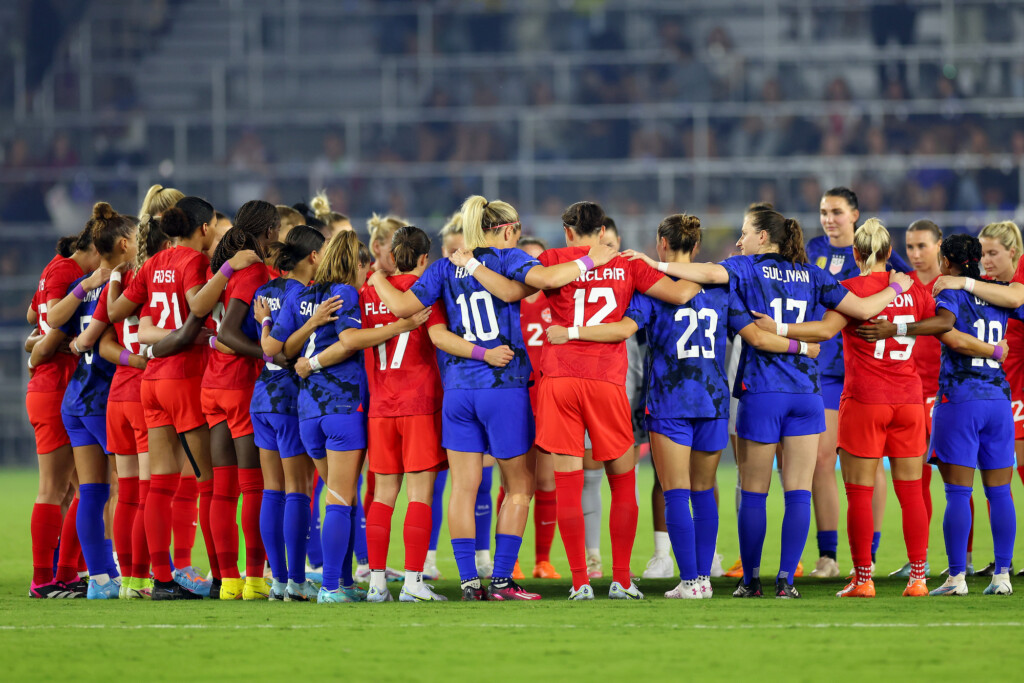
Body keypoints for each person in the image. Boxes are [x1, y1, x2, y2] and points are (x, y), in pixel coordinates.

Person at [635, 208, 912, 598]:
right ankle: (786, 581)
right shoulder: (816, 275)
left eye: (745, 233)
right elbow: (864, 310)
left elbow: (709, 275)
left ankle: (750, 581)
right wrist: (897, 289)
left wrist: (652, 263)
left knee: (754, 491)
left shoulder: (746, 270)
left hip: (762, 391)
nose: (739, 241)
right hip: (806, 394)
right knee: (799, 490)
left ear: (764, 238)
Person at [553, 214, 817, 599]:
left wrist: (572, 333)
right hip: (712, 400)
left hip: (669, 401)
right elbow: (755, 336)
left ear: (662, 244)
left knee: (675, 492)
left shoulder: (652, 291)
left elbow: (626, 330)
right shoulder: (722, 289)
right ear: (695, 247)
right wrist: (803, 345)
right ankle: (705, 582)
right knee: (703, 489)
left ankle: (690, 581)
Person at [372, 195, 618, 600]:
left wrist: (377, 277)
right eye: (516, 232)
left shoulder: (442, 266)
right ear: (508, 229)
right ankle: (502, 580)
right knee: (519, 487)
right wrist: (593, 259)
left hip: (457, 391)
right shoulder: (508, 258)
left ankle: (469, 581)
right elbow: (547, 281)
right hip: (502, 387)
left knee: (463, 489)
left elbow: (401, 308)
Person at [452, 199, 698, 600]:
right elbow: (684, 294)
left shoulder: (553, 260)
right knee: (622, 481)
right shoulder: (629, 264)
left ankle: (581, 581)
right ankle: (620, 579)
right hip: (606, 381)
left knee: (567, 485)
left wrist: (472, 266)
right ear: (603, 231)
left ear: (567, 231)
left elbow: (512, 292)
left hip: (560, 380)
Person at [762, 219, 973, 597]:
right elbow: (941, 324)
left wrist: (778, 329)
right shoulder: (912, 290)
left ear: (855, 254)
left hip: (865, 400)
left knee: (858, 493)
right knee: (911, 494)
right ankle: (920, 579)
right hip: (909, 400)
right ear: (890, 252)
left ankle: (863, 579)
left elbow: (824, 331)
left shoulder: (852, 290)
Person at [108, 196, 261, 600]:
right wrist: (228, 269)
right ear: (204, 228)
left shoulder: (154, 263)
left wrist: (113, 278)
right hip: (186, 376)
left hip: (151, 380)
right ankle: (219, 578)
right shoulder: (194, 262)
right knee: (209, 484)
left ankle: (159, 580)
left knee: (158, 484)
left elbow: (120, 310)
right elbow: (196, 305)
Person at [268, 231, 421, 604]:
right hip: (341, 406)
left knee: (341, 495)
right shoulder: (347, 294)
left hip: (307, 412)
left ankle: (343, 583)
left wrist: (306, 349)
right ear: (355, 263)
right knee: (339, 498)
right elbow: (351, 340)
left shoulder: (300, 295)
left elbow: (279, 350)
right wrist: (399, 327)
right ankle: (333, 586)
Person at [880, 235, 1016, 596]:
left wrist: (897, 328)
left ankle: (957, 577)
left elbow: (946, 329)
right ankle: (1002, 575)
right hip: (999, 400)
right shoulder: (998, 292)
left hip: (959, 400)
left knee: (958, 493)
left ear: (945, 262)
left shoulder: (948, 293)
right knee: (1000, 491)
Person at [29, 204, 135, 598]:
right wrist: (42, 352)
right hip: (82, 391)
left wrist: (41, 344)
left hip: (72, 393)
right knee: (83, 489)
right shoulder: (97, 279)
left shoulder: (80, 280)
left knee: (87, 490)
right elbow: (60, 331)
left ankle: (90, 576)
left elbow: (43, 319)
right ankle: (54, 577)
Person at [805, 187, 912, 578]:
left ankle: (869, 554)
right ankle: (828, 555)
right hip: (825, 371)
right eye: (823, 212)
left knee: (870, 463)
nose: (828, 219)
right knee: (821, 459)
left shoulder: (880, 255)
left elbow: (904, 287)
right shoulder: (812, 247)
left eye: (836, 212)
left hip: (865, 370)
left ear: (855, 215)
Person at [358, 226, 450, 602]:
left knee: (382, 495)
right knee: (419, 496)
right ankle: (413, 581)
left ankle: (377, 583)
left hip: (380, 406)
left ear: (392, 256)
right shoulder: (428, 290)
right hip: (419, 405)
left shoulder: (368, 292)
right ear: (425, 258)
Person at [203, 200, 280, 600]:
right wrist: (266, 354)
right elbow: (232, 331)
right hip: (238, 387)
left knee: (222, 489)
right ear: (267, 231)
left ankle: (228, 581)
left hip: (213, 385)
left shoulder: (230, 267)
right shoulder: (253, 272)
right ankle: (253, 580)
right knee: (253, 488)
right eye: (277, 230)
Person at [253, 226, 327, 601]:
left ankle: (278, 581)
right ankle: (296, 581)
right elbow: (277, 351)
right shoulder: (302, 294)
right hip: (289, 399)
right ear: (313, 256)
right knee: (298, 491)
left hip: (262, 399)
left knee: (272, 491)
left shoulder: (263, 291)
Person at [26, 228, 101, 598]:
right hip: (54, 385)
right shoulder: (69, 274)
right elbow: (53, 327)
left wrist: (35, 342)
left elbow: (33, 314)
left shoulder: (53, 269)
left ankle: (66, 574)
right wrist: (42, 351)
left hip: (56, 386)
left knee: (77, 489)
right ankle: (44, 580)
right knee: (57, 489)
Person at [888, 219, 943, 579]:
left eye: (923, 246)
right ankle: (916, 558)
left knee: (957, 478)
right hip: (910, 394)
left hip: (942, 395)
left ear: (940, 245)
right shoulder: (902, 287)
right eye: (910, 247)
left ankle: (965, 559)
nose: (916, 254)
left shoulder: (946, 288)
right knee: (915, 482)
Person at [516, 236, 561, 580]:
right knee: (514, 482)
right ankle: (510, 558)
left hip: (548, 398)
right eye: (525, 260)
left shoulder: (558, 300)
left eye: (538, 261)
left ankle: (542, 560)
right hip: (515, 398)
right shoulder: (506, 302)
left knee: (546, 482)